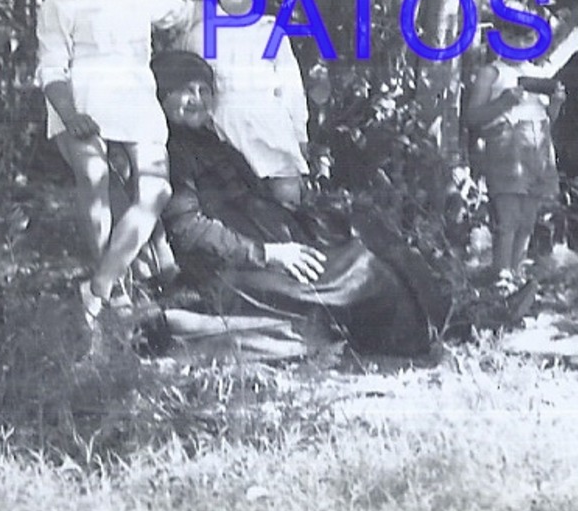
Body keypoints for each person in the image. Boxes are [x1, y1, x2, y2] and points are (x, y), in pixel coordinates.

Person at [151, 50, 442, 357]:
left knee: (375, 249)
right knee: (365, 274)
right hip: (231, 268)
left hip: (269, 245)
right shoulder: (165, 151)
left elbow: (256, 196)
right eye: (186, 91)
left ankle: (428, 330)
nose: (197, 99)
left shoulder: (211, 141)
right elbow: (189, 231)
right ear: (162, 95)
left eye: (203, 90)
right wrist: (268, 253)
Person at [35, 0, 198, 321]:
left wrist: (247, 11)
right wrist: (71, 116)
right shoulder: (60, 2)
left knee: (156, 191)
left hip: (135, 99)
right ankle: (120, 295)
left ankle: (99, 287)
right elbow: (52, 69)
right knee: (95, 176)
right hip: (79, 99)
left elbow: (187, 13)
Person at [180, 0, 312, 210]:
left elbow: (291, 89)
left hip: (270, 125)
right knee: (238, 203)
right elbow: (189, 84)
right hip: (223, 128)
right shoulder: (201, 34)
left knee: (286, 195)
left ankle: (296, 240)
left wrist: (300, 136)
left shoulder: (270, 30)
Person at [463, 13, 562, 294]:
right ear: (499, 37)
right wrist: (505, 102)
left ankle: (516, 275)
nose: (518, 43)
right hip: (506, 147)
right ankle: (501, 276)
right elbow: (473, 117)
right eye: (511, 36)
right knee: (508, 217)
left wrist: (555, 104)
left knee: (528, 218)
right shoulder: (492, 73)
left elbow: (548, 119)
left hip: (538, 147)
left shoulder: (540, 74)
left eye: (526, 37)